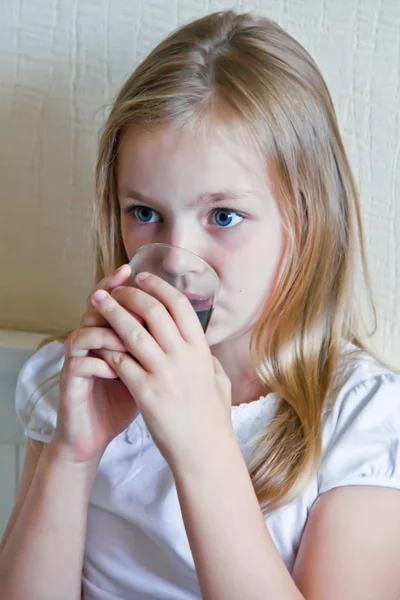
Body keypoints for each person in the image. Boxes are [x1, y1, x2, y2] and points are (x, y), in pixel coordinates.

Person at [0, 9, 399, 600]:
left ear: (308, 223)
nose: (178, 257)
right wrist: (72, 456)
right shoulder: (74, 380)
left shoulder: (359, 423)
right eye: (145, 213)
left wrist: (201, 445)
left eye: (224, 217)